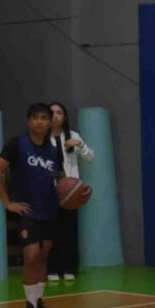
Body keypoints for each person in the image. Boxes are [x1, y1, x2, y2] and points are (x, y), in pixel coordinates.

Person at [0, 104, 64, 308]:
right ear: (28, 120)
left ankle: (39, 303)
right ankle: (29, 306)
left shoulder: (54, 149)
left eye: (44, 118)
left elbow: (60, 178)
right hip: (27, 209)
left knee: (43, 256)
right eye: (35, 118)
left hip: (50, 209)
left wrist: (73, 192)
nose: (40, 122)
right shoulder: (17, 144)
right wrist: (8, 203)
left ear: (50, 122)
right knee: (31, 255)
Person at [46, 101, 92, 283]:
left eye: (59, 112)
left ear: (64, 117)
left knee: (70, 231)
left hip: (70, 193)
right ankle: (52, 268)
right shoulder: (42, 138)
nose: (56, 115)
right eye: (52, 112)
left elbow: (90, 157)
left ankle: (69, 268)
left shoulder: (72, 135)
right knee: (51, 232)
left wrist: (80, 144)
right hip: (50, 192)